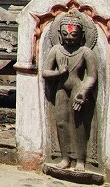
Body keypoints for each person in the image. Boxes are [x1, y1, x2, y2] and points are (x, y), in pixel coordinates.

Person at [41, 14, 98, 172]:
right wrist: (60, 73)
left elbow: (92, 76)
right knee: (61, 123)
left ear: (81, 36)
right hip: (61, 90)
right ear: (59, 35)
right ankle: (65, 158)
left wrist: (84, 91)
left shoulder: (85, 52)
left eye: (74, 35)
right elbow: (45, 72)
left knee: (78, 124)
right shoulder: (56, 50)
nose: (69, 38)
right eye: (65, 35)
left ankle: (80, 159)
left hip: (77, 89)